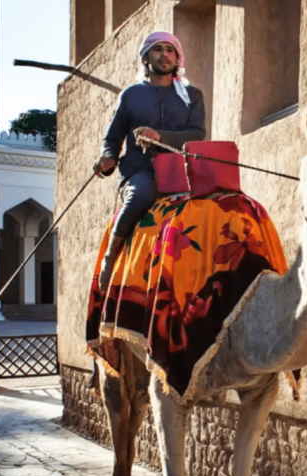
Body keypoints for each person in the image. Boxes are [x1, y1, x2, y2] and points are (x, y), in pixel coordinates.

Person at [93, 31, 206, 289]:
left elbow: (198, 135)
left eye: (170, 50)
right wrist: (108, 157)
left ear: (178, 58)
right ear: (146, 58)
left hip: (181, 171)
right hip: (139, 172)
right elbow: (112, 139)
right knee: (143, 194)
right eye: (158, 49)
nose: (164, 54)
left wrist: (159, 136)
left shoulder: (192, 96)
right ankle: (111, 257)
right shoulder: (130, 96)